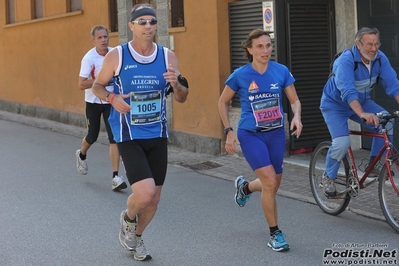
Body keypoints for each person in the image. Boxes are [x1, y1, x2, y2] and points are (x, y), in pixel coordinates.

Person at [92, 4, 189, 261]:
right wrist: (112, 99)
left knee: (155, 199)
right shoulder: (117, 56)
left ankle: (136, 236)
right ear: (132, 26)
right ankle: (128, 216)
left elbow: (182, 97)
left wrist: (176, 84)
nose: (148, 26)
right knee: (144, 194)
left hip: (157, 134)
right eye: (142, 21)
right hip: (128, 134)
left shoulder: (168, 56)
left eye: (152, 21)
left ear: (156, 26)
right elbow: (97, 86)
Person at [218, 29, 302, 252]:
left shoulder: (281, 71)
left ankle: (245, 188)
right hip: (250, 134)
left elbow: (294, 100)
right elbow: (222, 102)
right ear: (250, 49)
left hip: (275, 134)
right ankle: (275, 233)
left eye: (268, 45)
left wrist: (297, 117)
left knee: (272, 184)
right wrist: (229, 130)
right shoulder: (240, 75)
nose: (266, 50)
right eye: (260, 46)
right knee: (269, 181)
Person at [320, 27, 399, 197]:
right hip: (335, 105)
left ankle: (375, 166)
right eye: (369, 44)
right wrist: (362, 114)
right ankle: (329, 177)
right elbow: (348, 91)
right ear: (358, 44)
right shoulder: (346, 61)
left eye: (377, 43)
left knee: (387, 121)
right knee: (341, 143)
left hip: (362, 101)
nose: (374, 48)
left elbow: (393, 86)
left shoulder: (379, 59)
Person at [75, 25, 127, 191]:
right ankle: (81, 154)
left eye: (105, 37)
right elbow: (81, 84)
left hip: (110, 101)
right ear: (93, 41)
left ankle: (115, 177)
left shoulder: (114, 54)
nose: (104, 40)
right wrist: (100, 79)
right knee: (93, 135)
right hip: (93, 102)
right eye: (100, 38)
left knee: (114, 137)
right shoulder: (89, 58)